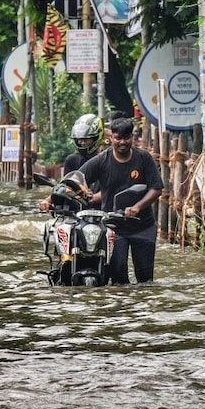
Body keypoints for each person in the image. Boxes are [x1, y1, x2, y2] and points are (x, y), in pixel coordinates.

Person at [79, 117, 164, 284]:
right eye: (118, 138)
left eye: (127, 138)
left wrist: (138, 207)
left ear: (132, 137)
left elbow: (156, 188)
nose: (122, 142)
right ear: (111, 138)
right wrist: (51, 198)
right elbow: (77, 178)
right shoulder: (101, 160)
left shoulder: (144, 158)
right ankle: (122, 308)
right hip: (113, 229)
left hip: (143, 227)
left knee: (145, 280)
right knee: (118, 280)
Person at [38, 113, 104, 212]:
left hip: (102, 212)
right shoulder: (72, 160)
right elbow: (65, 186)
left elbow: (114, 189)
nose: (82, 143)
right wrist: (47, 201)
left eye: (86, 140)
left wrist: (94, 197)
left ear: (96, 138)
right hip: (75, 212)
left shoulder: (107, 159)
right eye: (79, 140)